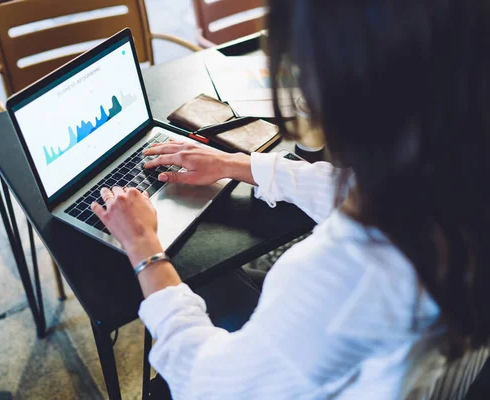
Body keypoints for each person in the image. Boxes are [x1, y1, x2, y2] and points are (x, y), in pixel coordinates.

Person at [89, 0, 490, 398]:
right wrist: (236, 164)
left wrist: (145, 249)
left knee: (195, 285)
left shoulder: (341, 279)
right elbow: (362, 187)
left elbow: (206, 384)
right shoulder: (458, 176)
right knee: (218, 279)